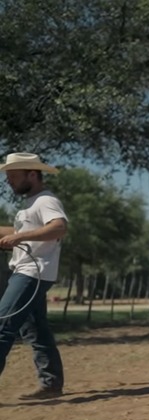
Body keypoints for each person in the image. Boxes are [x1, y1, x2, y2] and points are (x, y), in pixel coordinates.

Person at [0, 152, 68, 400]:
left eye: (13, 176)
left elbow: (59, 227)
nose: (8, 181)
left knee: (2, 324)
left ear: (32, 174)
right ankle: (51, 383)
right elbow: (20, 231)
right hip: (28, 271)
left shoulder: (45, 201)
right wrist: (15, 234)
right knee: (35, 329)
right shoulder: (31, 204)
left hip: (32, 272)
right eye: (7, 176)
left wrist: (18, 237)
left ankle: (50, 382)